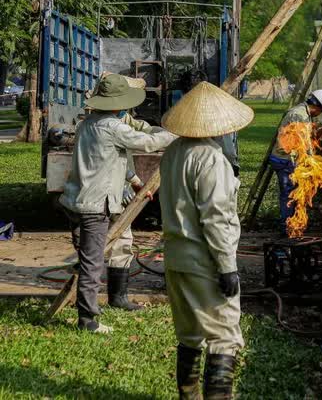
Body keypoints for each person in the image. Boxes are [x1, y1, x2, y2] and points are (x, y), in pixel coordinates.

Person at [60, 74, 176, 333]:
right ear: (117, 102)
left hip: (75, 200)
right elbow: (148, 142)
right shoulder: (113, 127)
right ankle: (88, 319)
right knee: (92, 263)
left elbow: (121, 152)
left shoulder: (88, 123)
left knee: (87, 259)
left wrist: (134, 178)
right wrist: (176, 135)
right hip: (95, 204)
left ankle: (97, 303)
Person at [159, 81, 254, 399]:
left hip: (175, 258)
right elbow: (216, 219)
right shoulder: (211, 160)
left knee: (189, 335)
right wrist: (227, 267)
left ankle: (189, 395)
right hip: (204, 262)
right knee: (224, 336)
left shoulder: (173, 153)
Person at [269, 89, 322, 236]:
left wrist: (317, 135)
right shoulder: (298, 115)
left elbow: (302, 138)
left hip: (288, 159)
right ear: (318, 108)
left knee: (295, 194)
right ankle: (288, 229)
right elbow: (301, 143)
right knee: (289, 195)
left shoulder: (304, 114)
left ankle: (294, 225)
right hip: (285, 160)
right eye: (321, 112)